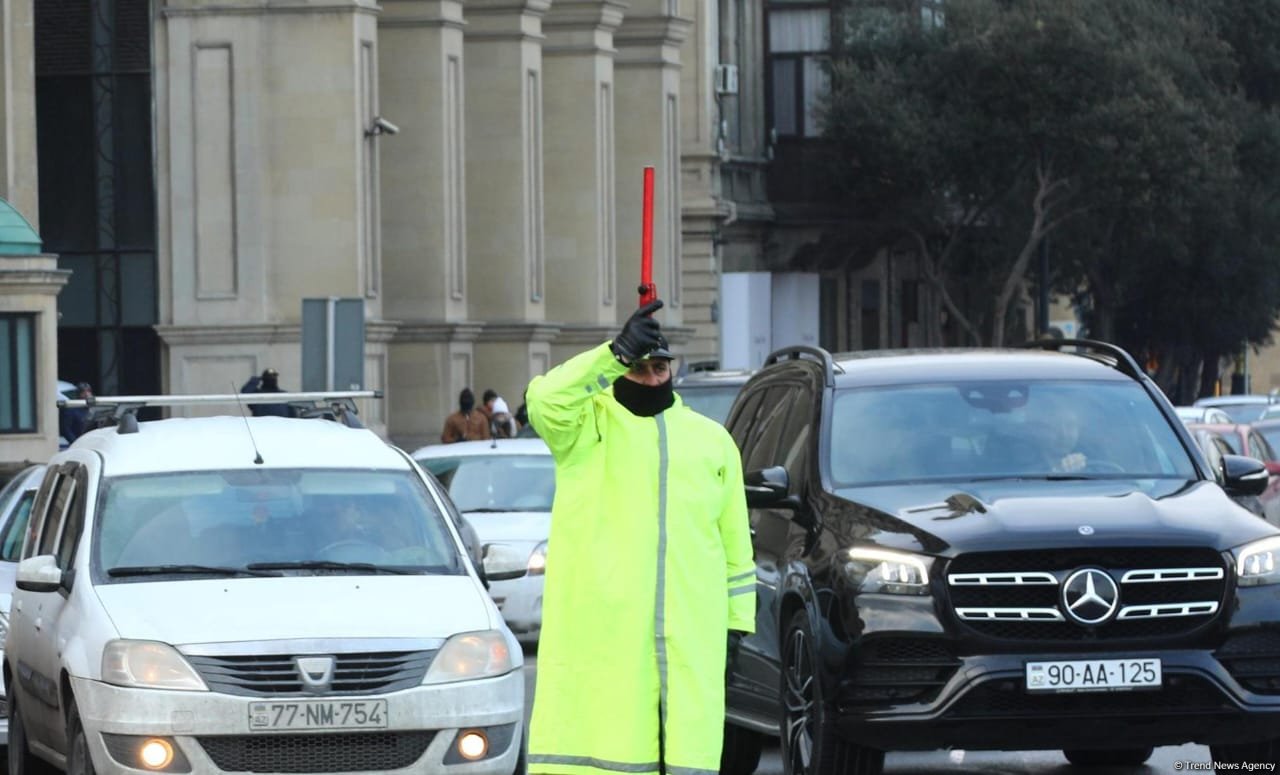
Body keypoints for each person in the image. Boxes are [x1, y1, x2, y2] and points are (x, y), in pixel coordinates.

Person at [525, 299, 755, 775]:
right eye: (639, 368)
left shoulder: (712, 442)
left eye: (659, 368)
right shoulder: (586, 428)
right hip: (605, 644)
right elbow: (545, 400)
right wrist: (613, 353)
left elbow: (736, 548)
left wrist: (736, 627)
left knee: (688, 757)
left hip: (692, 641)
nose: (652, 378)